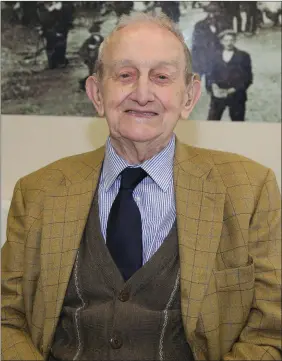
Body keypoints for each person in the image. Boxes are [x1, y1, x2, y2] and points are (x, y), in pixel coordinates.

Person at [1, 11, 281, 361]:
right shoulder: (37, 192)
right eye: (125, 75)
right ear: (97, 94)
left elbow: (270, 331)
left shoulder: (250, 191)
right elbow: (6, 318)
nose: (143, 93)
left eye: (162, 77)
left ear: (190, 96)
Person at [207, 29, 253, 121]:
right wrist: (213, 86)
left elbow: (248, 78)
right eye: (226, 40)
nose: (229, 43)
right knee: (212, 121)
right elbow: (209, 75)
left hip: (236, 95)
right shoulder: (215, 56)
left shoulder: (243, 56)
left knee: (237, 123)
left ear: (235, 41)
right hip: (218, 94)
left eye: (231, 40)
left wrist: (235, 89)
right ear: (221, 42)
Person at [191, 2, 229, 90]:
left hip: (216, 55)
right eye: (210, 13)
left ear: (219, 13)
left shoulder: (223, 24)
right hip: (202, 55)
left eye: (215, 12)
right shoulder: (200, 25)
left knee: (213, 77)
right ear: (206, 13)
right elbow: (197, 42)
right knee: (198, 76)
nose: (212, 16)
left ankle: (211, 89)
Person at [37, 1, 73, 69]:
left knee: (60, 45)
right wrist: (42, 29)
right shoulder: (44, 9)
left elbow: (66, 21)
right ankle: (52, 63)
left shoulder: (63, 8)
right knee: (50, 47)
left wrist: (60, 30)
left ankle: (60, 61)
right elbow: (45, 21)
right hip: (50, 31)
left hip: (60, 30)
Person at [78, 22, 104, 91]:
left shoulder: (100, 39)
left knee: (96, 73)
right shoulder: (93, 40)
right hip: (92, 60)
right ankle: (87, 85)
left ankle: (86, 84)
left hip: (96, 59)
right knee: (94, 73)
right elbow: (83, 51)